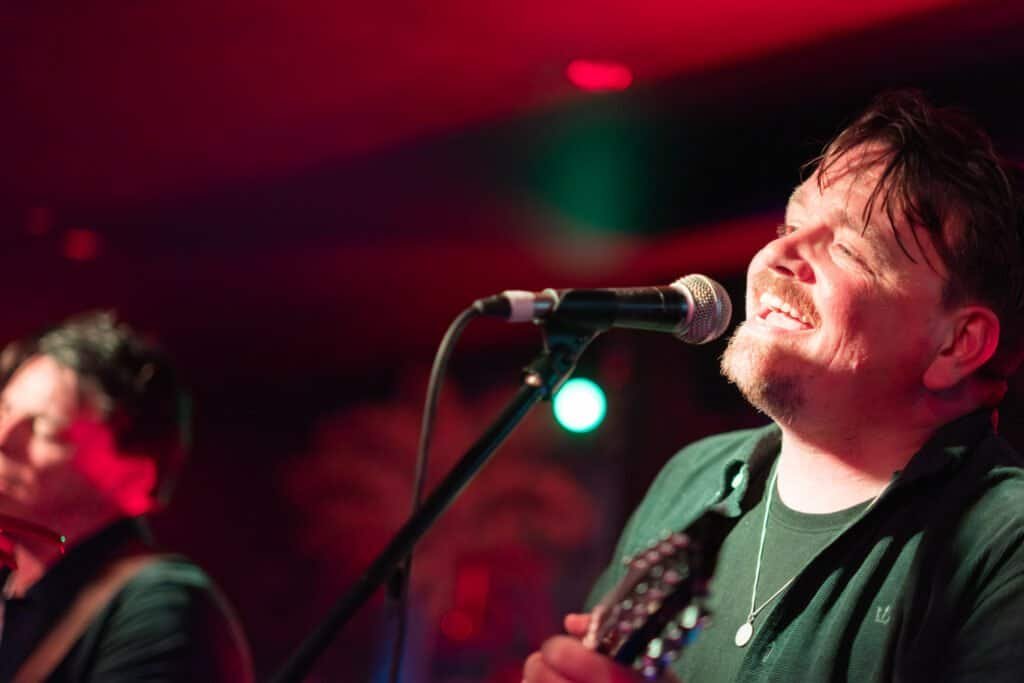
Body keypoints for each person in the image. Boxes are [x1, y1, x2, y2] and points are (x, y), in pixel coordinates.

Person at [523, 90, 1024, 682]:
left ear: (955, 345)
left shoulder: (1004, 544)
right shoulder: (692, 479)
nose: (777, 255)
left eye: (847, 248)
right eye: (789, 224)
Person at [0, 312, 254, 681]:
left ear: (134, 472)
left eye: (44, 428)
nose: (3, 438)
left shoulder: (158, 606)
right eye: (4, 409)